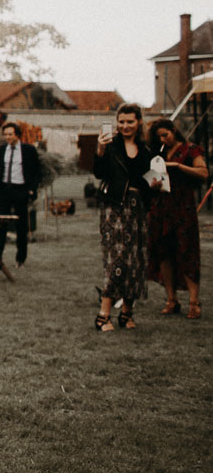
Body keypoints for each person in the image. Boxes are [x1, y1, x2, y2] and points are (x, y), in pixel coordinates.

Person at [92, 103, 155, 332]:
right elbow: (99, 173)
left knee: (135, 261)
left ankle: (127, 314)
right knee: (116, 259)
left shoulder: (146, 149)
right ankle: (103, 315)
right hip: (114, 207)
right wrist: (99, 150)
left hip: (138, 208)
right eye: (121, 121)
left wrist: (156, 183)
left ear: (138, 122)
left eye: (130, 121)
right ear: (116, 123)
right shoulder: (110, 145)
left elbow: (150, 180)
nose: (125, 126)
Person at [146, 118, 205, 320]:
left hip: (183, 207)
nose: (164, 139)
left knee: (187, 251)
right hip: (161, 207)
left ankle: (194, 302)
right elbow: (153, 178)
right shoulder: (159, 154)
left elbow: (203, 173)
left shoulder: (191, 149)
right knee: (164, 253)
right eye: (159, 137)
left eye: (166, 134)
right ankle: (171, 299)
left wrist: (178, 167)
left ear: (173, 130)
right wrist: (152, 183)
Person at [0, 121, 41, 269]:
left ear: (17, 135)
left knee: (21, 226)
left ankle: (20, 259)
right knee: (1, 225)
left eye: (10, 134)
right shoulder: (0, 150)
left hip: (20, 190)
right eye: (5, 134)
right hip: (4, 190)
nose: (7, 137)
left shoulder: (28, 150)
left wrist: (31, 189)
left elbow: (37, 172)